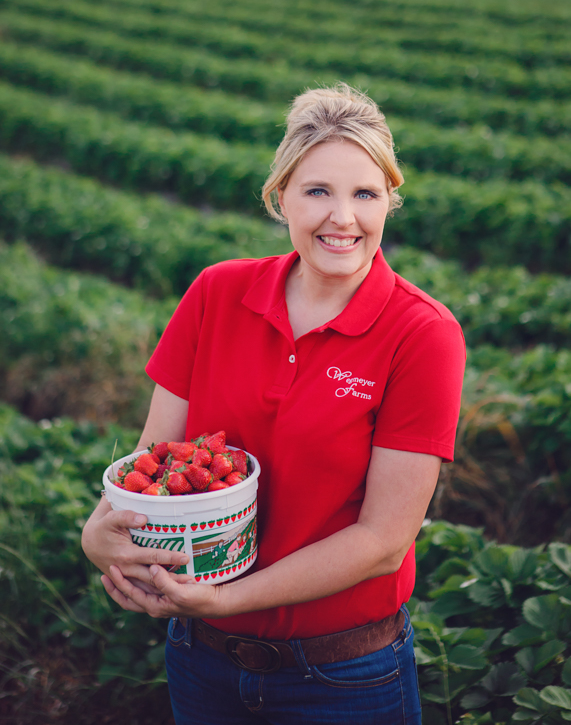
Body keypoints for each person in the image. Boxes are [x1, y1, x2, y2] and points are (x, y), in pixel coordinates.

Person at [82, 83, 466, 725]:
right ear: (280, 196)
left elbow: (382, 542)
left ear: (389, 203)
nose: (342, 217)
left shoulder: (422, 334)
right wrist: (101, 532)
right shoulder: (216, 293)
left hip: (344, 678)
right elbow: (153, 462)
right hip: (201, 659)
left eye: (365, 194)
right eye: (317, 191)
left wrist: (227, 602)